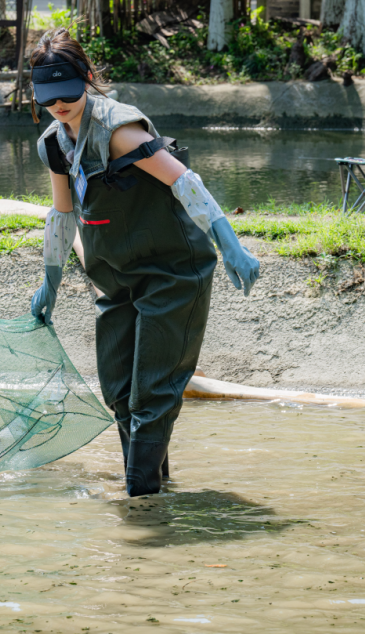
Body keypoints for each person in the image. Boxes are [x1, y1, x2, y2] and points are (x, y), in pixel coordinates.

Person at [27, 28, 260, 497]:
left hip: (171, 275)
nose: (59, 105)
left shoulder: (119, 130)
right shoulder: (54, 143)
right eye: (48, 98)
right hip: (116, 280)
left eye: (67, 93)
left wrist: (230, 244)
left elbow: (184, 182)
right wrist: (50, 283)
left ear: (86, 78)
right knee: (119, 390)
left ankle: (140, 504)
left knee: (151, 394)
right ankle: (154, 491)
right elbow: (62, 214)